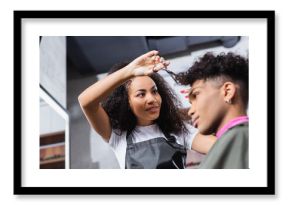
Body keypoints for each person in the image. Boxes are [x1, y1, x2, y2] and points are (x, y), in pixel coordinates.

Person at [78, 50, 200, 169]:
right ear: (125, 102)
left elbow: (217, 146)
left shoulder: (179, 130)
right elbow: (86, 102)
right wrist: (130, 71)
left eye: (154, 91)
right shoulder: (116, 135)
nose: (152, 99)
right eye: (141, 94)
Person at [176, 52, 249, 169]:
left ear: (227, 92)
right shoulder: (233, 142)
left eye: (196, 95)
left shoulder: (239, 138)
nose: (190, 111)